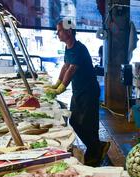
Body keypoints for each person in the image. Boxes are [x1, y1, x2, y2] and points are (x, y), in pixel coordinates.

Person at [45, 20, 110, 167]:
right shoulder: (69, 48)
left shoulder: (80, 49)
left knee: (89, 123)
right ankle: (96, 147)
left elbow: (72, 69)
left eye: (59, 30)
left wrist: (61, 88)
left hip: (89, 91)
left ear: (68, 32)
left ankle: (95, 151)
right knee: (74, 121)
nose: (57, 34)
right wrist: (56, 84)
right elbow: (65, 66)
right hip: (78, 91)